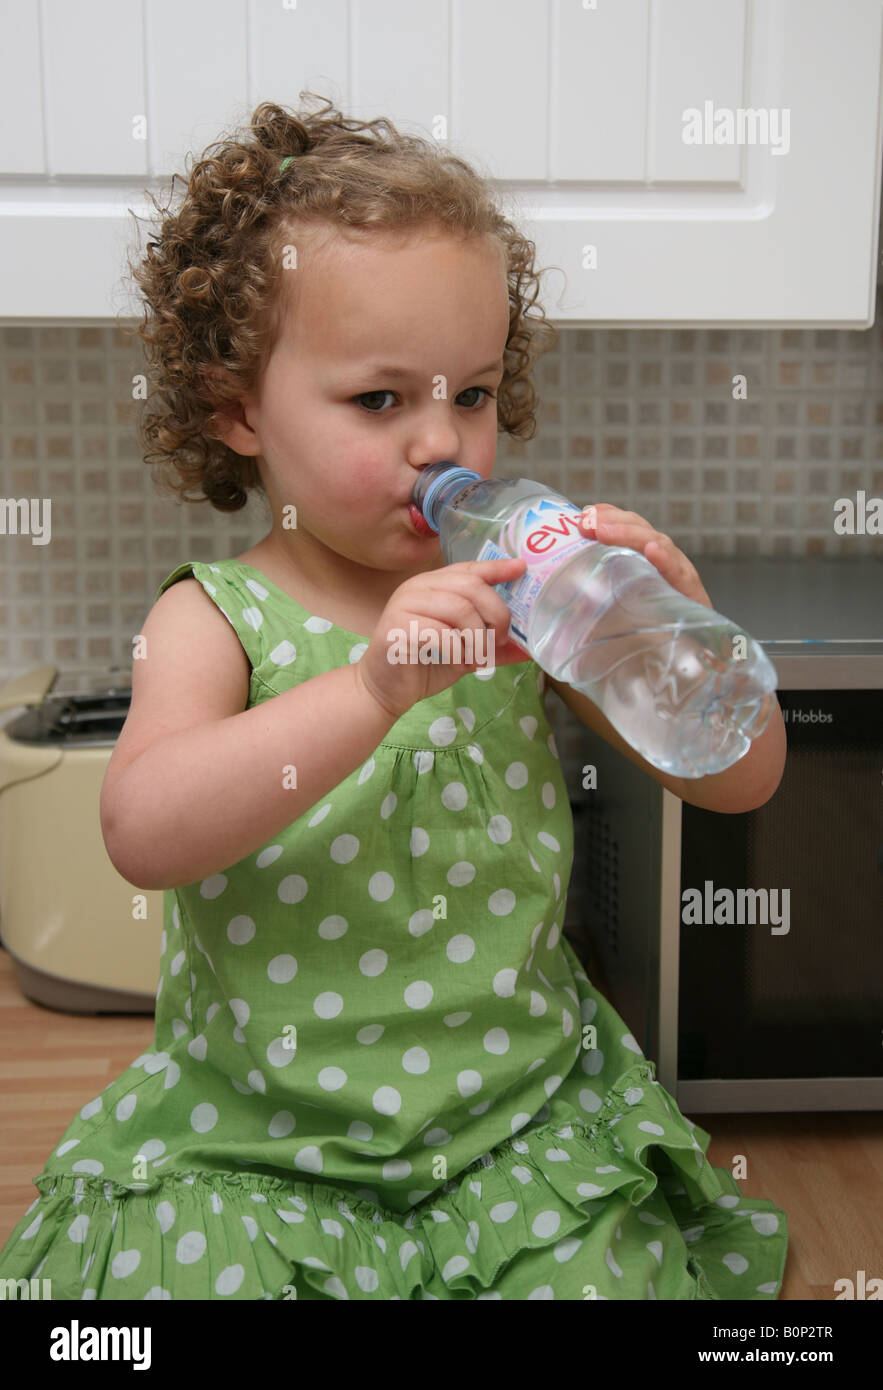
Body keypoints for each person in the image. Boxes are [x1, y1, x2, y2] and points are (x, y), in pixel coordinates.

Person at [0, 94, 788, 1300]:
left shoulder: (522, 601)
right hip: (260, 1143)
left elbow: (743, 781)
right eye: (380, 401)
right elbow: (143, 831)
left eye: (470, 394)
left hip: (513, 1131)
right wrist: (373, 689)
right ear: (237, 408)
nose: (443, 446)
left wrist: (676, 636)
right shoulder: (214, 617)